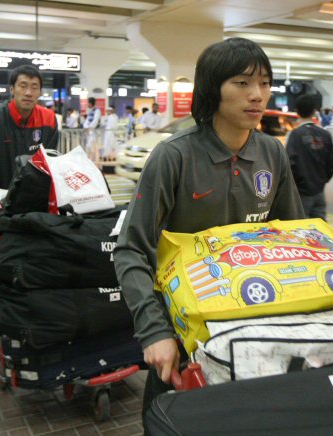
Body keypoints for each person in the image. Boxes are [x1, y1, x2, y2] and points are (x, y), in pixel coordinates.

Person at [114, 37, 304, 416]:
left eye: (265, 83)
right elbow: (131, 250)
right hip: (186, 337)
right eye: (242, 83)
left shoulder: (271, 153)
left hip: (254, 326)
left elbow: (295, 236)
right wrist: (155, 332)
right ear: (212, 89)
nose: (257, 95)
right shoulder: (174, 156)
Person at [0, 65, 59, 339]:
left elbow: (53, 163)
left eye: (34, 87)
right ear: (11, 89)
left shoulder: (48, 119)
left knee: (33, 266)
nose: (28, 92)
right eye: (23, 85)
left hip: (33, 210)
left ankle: (26, 320)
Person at [285, 95, 333, 221]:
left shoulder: (295, 135)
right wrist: (321, 181)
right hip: (319, 190)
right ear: (314, 111)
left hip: (301, 193)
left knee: (299, 230)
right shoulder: (325, 134)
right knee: (319, 230)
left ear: (296, 111)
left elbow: (289, 164)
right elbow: (331, 164)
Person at [82, 97, 102, 161]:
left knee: (92, 147)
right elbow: (87, 121)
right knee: (91, 147)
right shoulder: (90, 111)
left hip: (94, 132)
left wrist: (89, 128)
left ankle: (95, 162)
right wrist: (85, 127)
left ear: (90, 103)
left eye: (88, 103)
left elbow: (95, 121)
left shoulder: (97, 110)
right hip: (89, 132)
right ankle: (92, 162)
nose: (87, 104)